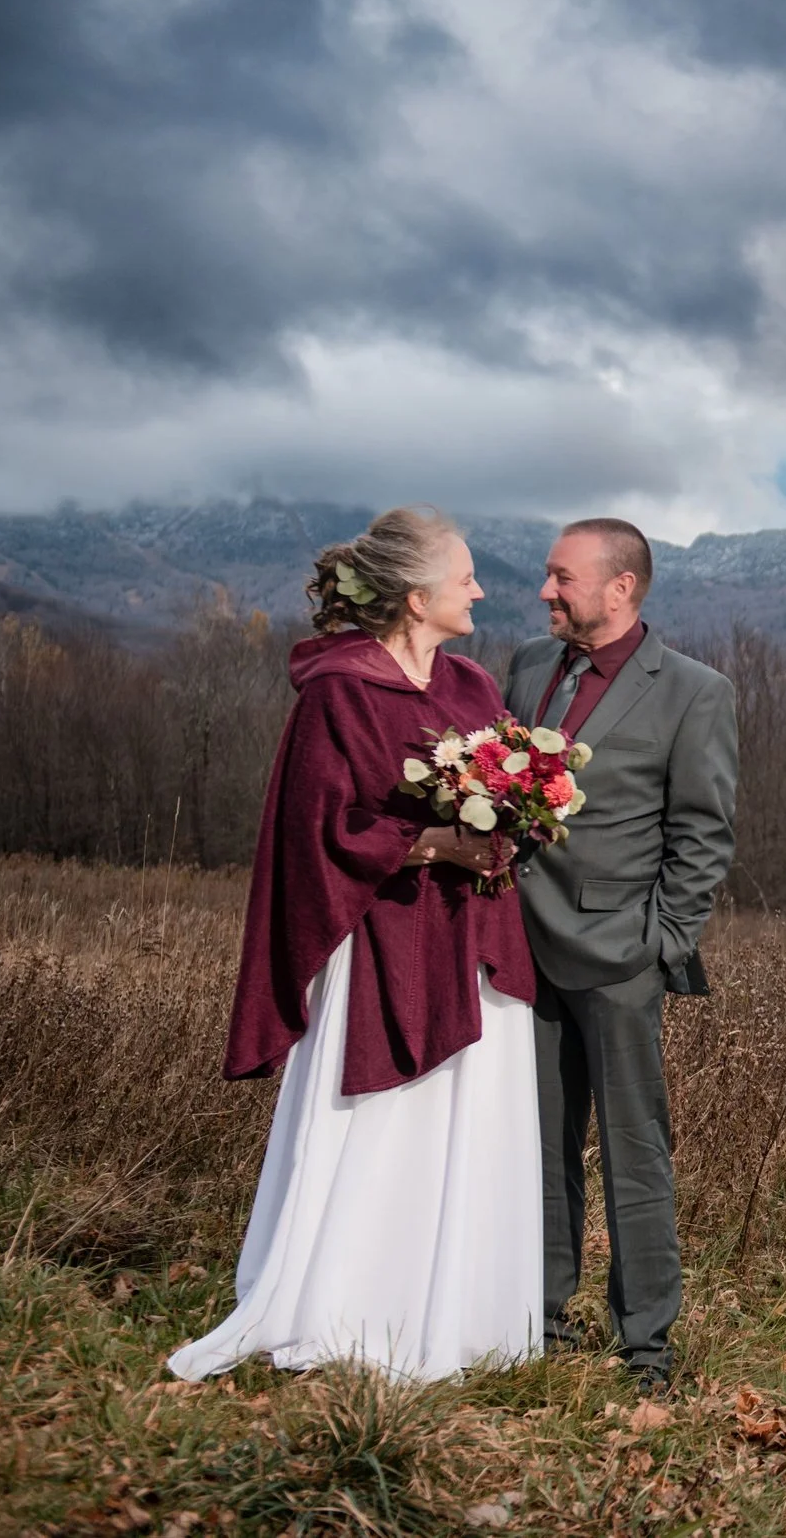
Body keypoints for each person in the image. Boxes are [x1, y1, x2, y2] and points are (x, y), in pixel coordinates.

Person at [169, 507, 543, 1383]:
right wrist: (428, 844)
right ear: (416, 597)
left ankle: (460, 1315)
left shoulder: (473, 687)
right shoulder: (337, 692)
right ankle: (347, 1309)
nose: (479, 590)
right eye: (464, 576)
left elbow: (504, 796)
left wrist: (515, 820)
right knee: (381, 1132)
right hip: (378, 942)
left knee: (467, 1127)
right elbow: (316, 830)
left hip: (472, 938)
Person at [505, 517, 737, 1395]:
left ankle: (646, 1347)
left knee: (636, 1154)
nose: (545, 590)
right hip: (520, 951)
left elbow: (703, 835)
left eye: (561, 577)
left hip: (620, 960)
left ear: (620, 588)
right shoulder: (530, 666)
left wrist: (659, 944)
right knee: (538, 1146)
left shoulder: (694, 692)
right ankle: (538, 1321)